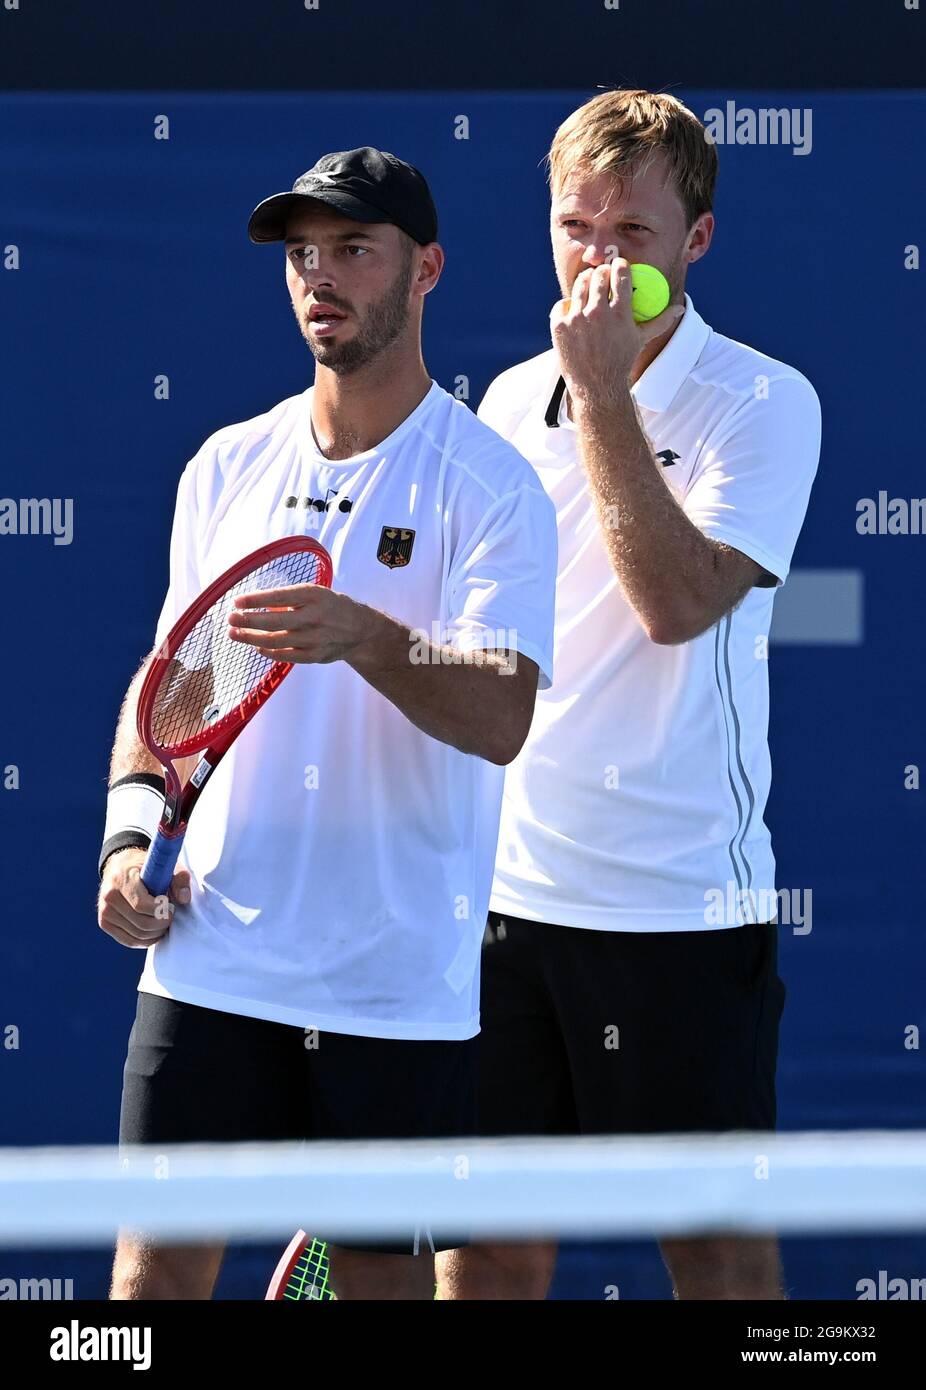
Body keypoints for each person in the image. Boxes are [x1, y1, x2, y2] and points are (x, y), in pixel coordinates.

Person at [96, 146, 557, 1301]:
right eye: (302, 253)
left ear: (427, 269)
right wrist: (123, 838)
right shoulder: (224, 466)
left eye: (354, 248)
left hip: (393, 988)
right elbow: (170, 692)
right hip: (210, 966)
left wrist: (367, 635)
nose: (321, 276)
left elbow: (501, 711)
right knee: (146, 1295)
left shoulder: (489, 485)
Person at [437, 90, 821, 1301]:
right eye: (573, 228)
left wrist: (601, 394)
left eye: (631, 236)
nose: (596, 263)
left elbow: (671, 604)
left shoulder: (766, 402)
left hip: (679, 915)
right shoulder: (501, 402)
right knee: (485, 1258)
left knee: (714, 1260)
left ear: (695, 242)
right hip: (503, 912)